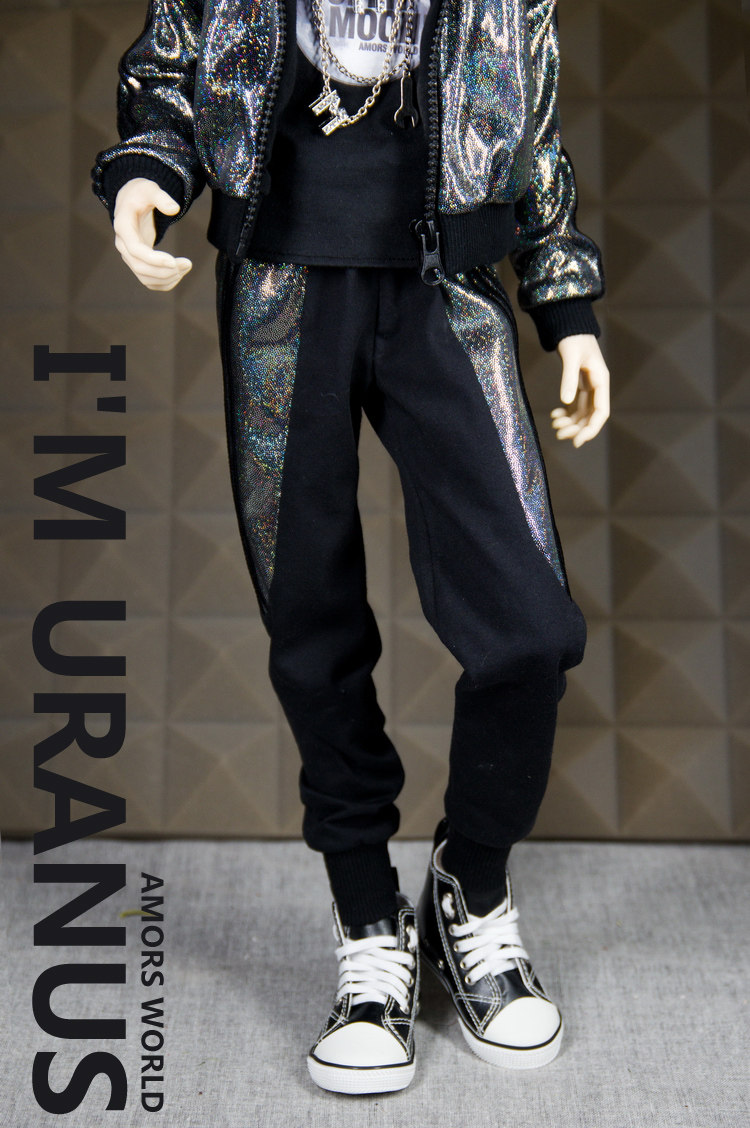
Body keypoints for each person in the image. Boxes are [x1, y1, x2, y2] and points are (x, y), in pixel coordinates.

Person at [92, 0, 609, 1096]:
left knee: (530, 628)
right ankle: (369, 921)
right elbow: (172, 61)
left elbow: (533, 115)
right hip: (281, 286)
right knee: (310, 621)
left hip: (448, 290)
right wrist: (147, 173)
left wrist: (565, 304)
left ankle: (471, 888)